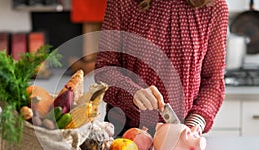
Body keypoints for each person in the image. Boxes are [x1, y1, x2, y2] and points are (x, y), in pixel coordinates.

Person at [94, 0, 229, 136]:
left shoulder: (214, 7)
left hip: (180, 137)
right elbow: (104, 69)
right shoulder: (123, 3)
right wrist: (131, 91)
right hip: (125, 133)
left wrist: (195, 123)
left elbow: (213, 80)